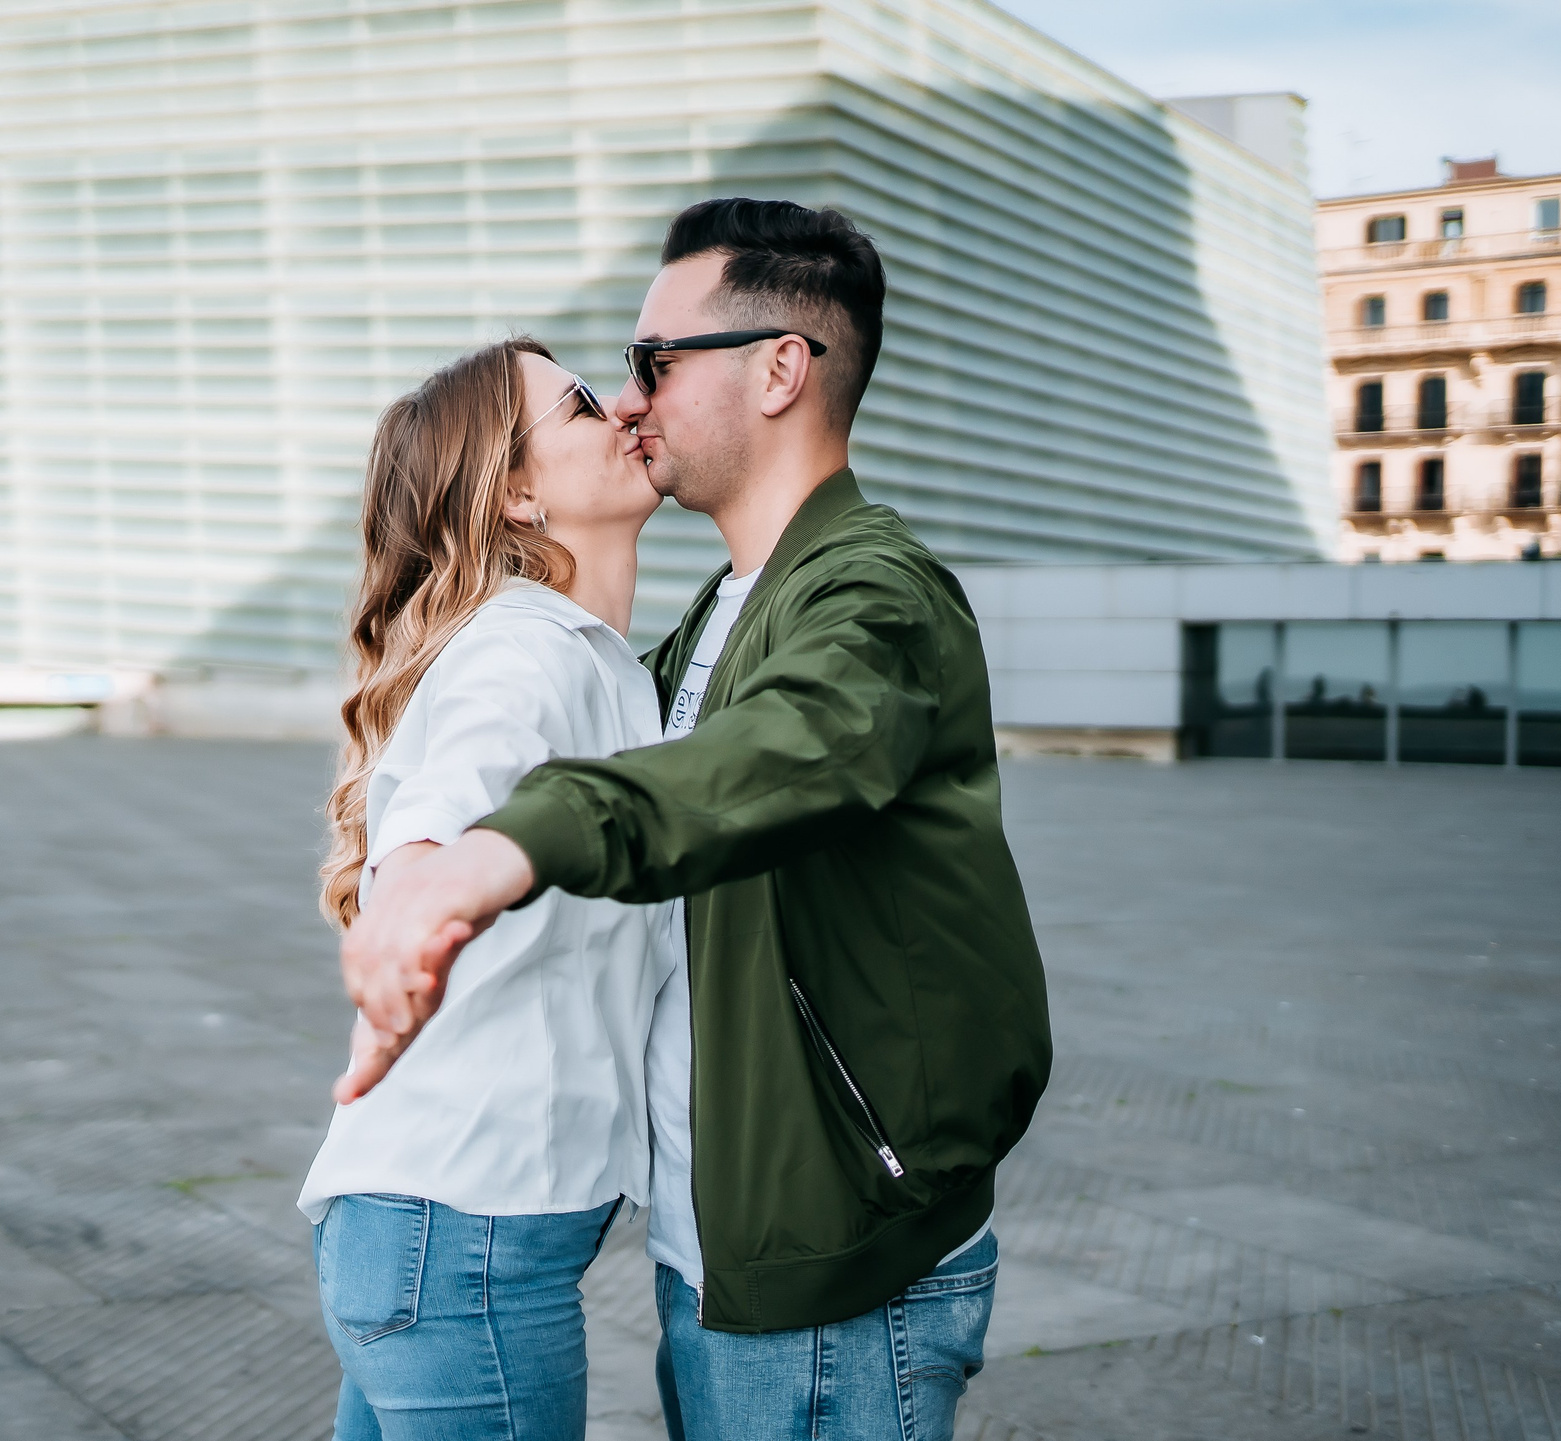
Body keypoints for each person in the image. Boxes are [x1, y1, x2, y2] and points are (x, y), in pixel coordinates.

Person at [337, 199, 1053, 1441]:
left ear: (781, 368)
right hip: (723, 1245)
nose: (630, 399)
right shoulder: (699, 626)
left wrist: (498, 849)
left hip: (834, 1257)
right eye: (616, 376)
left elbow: (792, 749)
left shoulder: (870, 589)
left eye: (653, 362)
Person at [301, 335, 677, 1440]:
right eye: (575, 407)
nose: (619, 405)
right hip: (458, 1248)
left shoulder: (597, 659)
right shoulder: (528, 654)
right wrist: (418, 891)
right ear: (516, 493)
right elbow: (443, 813)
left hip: (423, 1239)